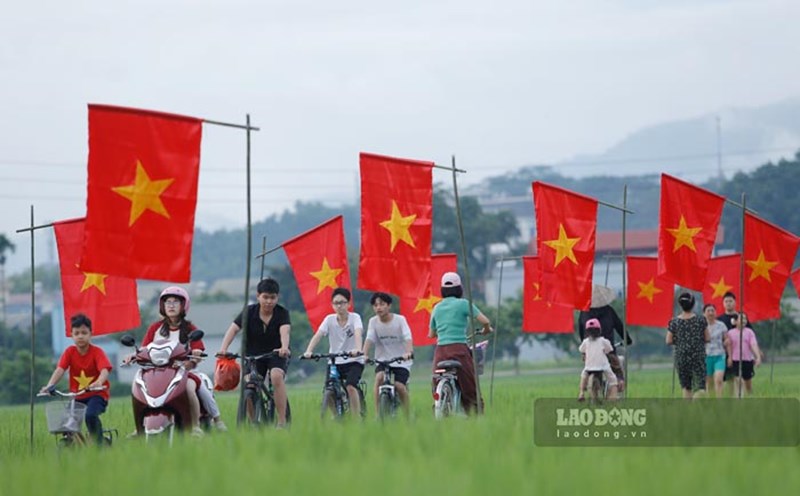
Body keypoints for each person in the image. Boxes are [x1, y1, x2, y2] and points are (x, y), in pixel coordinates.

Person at [135, 286, 226, 435]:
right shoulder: (155, 328)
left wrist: (196, 353)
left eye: (175, 302)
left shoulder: (190, 328)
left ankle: (202, 423)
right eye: (167, 302)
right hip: (159, 372)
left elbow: (198, 348)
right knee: (140, 388)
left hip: (185, 371)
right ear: (162, 306)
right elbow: (144, 348)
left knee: (190, 388)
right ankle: (139, 428)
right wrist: (135, 355)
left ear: (184, 305)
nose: (171, 305)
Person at [219, 278, 291, 428]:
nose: (269, 301)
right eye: (265, 297)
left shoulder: (282, 313)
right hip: (253, 356)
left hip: (275, 354)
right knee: (249, 384)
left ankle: (282, 421)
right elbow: (233, 329)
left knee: (276, 377)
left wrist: (284, 347)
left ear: (277, 297)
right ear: (258, 296)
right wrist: (223, 349)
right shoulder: (249, 312)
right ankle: (253, 422)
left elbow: (285, 331)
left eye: (273, 298)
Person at [40, 313, 112, 445]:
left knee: (90, 415)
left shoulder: (97, 352)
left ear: (91, 334)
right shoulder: (70, 352)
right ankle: (74, 444)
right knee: (67, 422)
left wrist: (99, 382)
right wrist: (49, 386)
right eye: (76, 333)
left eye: (84, 333)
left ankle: (99, 444)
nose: (80, 336)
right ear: (71, 335)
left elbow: (104, 370)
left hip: (97, 395)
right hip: (78, 396)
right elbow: (60, 369)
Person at [428, 272, 492, 415]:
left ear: (442, 289)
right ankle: (475, 414)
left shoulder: (436, 307)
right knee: (469, 385)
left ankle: (438, 406)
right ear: (459, 288)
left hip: (440, 351)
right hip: (459, 350)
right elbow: (485, 321)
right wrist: (487, 329)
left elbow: (431, 334)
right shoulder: (463, 304)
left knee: (437, 380)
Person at [303, 287, 365, 418]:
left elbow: (358, 333)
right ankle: (336, 416)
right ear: (332, 305)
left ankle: (356, 418)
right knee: (329, 388)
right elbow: (318, 335)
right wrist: (309, 351)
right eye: (336, 303)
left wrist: (358, 349)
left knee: (350, 386)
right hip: (334, 361)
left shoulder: (355, 318)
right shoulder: (329, 319)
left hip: (354, 360)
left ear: (349, 304)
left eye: (342, 302)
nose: (339, 306)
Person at [362, 292, 414, 418]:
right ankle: (377, 414)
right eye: (375, 305)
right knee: (379, 378)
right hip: (383, 360)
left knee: (399, 386)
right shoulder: (373, 321)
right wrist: (364, 354)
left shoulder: (400, 320)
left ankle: (408, 415)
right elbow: (369, 338)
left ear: (389, 305)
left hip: (401, 361)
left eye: (382, 304)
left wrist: (409, 352)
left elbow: (407, 337)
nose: (378, 308)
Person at [577, 297, 632, 390]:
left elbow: (581, 332)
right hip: (608, 349)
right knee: (616, 367)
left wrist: (585, 346)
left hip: (589, 351)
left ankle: (584, 386)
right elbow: (620, 327)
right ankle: (619, 382)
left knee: (587, 368)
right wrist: (628, 339)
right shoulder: (609, 310)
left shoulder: (584, 312)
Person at [666, 292, 709, 399]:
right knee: (700, 388)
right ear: (693, 304)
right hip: (698, 357)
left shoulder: (674, 322)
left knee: (686, 387)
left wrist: (681, 341)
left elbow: (668, 340)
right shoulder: (701, 320)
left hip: (681, 357)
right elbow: (708, 338)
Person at [577, 318, 618, 401]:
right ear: (599, 330)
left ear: (587, 332)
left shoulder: (585, 342)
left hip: (589, 367)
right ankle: (613, 397)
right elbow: (609, 350)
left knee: (583, 375)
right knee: (613, 379)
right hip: (603, 366)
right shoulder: (603, 341)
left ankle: (581, 393)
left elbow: (581, 350)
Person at [726, 313, 762, 397]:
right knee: (738, 380)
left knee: (748, 383)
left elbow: (753, 344)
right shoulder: (730, 333)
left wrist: (758, 357)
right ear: (735, 321)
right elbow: (729, 347)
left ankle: (750, 396)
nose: (744, 321)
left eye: (745, 319)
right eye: (741, 319)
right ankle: (739, 398)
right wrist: (730, 357)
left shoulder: (749, 332)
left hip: (747, 360)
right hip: (735, 360)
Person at [703, 303, 730, 397]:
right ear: (704, 313)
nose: (711, 313)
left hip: (720, 356)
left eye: (712, 311)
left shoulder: (721, 325)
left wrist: (729, 356)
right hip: (706, 356)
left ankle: (719, 400)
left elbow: (726, 340)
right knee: (709, 382)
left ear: (715, 312)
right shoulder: (701, 326)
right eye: (708, 311)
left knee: (719, 379)